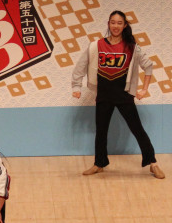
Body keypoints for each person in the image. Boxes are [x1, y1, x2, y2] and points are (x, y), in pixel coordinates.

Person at [70, 10, 164, 179]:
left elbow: (148, 66)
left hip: (124, 95)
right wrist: (76, 86)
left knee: (137, 129)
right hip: (104, 94)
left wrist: (144, 89)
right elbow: (80, 67)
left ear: (125, 25)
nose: (116, 26)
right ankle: (99, 164)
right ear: (108, 24)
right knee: (101, 131)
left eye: (119, 23)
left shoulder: (132, 47)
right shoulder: (96, 45)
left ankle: (153, 163)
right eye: (113, 22)